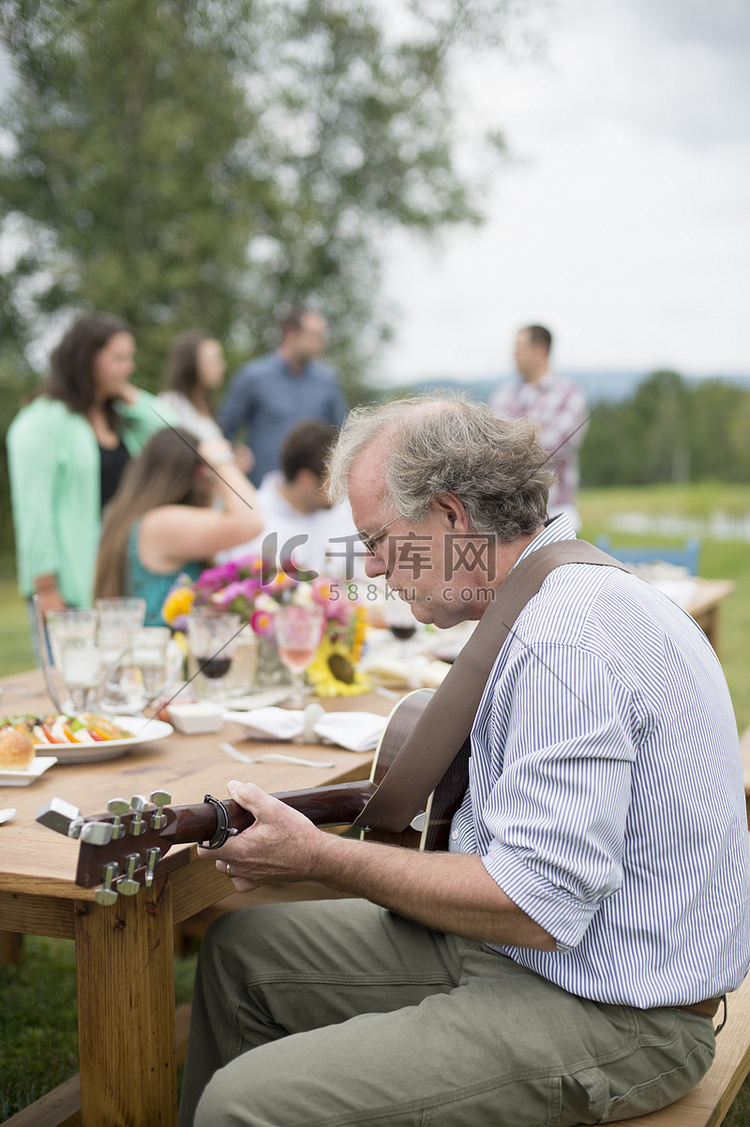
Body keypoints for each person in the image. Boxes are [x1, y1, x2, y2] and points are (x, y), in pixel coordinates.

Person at [178, 393, 749, 1127]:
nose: (375, 566)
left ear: (450, 517)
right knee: (239, 953)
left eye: (380, 538)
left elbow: (534, 902)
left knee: (242, 1103)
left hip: (619, 1012)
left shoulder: (561, 640)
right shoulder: (560, 590)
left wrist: (319, 857)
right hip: (541, 956)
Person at [6, 311, 174, 614]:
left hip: (124, 581)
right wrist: (46, 588)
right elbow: (33, 511)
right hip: (71, 590)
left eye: (129, 358)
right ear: (86, 360)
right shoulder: (40, 422)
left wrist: (132, 397)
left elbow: (177, 437)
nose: (129, 367)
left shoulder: (124, 419)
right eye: (119, 358)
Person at [94, 428, 263, 626]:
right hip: (160, 651)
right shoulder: (161, 522)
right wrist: (222, 459)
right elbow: (251, 520)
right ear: (198, 473)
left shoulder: (140, 519)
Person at [216, 306, 347, 486]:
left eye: (322, 336)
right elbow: (223, 427)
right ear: (291, 334)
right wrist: (235, 450)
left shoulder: (327, 382)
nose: (321, 343)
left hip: (311, 495)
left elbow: (344, 433)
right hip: (261, 492)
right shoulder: (253, 376)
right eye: (315, 336)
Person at [218, 419, 360, 577]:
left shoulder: (345, 513)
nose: (343, 490)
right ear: (305, 480)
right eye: (334, 481)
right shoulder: (253, 519)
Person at [490, 324, 588, 529]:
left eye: (519, 348)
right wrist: (534, 432)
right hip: (506, 514)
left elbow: (551, 449)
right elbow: (488, 445)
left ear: (540, 349)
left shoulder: (569, 393)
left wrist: (508, 440)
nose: (514, 354)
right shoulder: (503, 393)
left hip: (555, 512)